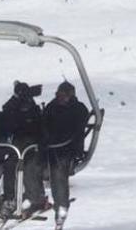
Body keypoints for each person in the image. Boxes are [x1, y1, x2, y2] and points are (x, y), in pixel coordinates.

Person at [43, 81, 90, 229]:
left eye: (64, 96)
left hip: (68, 149)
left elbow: (75, 128)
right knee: (30, 163)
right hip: (50, 147)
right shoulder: (52, 107)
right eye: (58, 95)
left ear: (71, 96)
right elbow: (43, 124)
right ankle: (33, 198)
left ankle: (61, 207)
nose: (60, 99)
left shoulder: (78, 109)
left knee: (58, 171)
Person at [0, 81, 48, 216]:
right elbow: (7, 113)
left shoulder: (34, 109)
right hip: (19, 147)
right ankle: (10, 198)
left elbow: (41, 130)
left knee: (30, 166)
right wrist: (16, 98)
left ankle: (36, 197)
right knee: (10, 165)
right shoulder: (13, 109)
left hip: (34, 147)